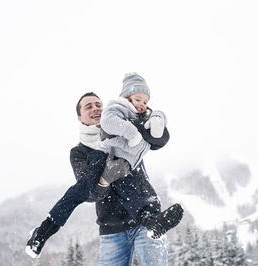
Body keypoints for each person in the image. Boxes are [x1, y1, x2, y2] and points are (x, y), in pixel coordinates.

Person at [25, 74, 183, 262]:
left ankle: (152, 221)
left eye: (98, 104)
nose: (95, 108)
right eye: (88, 106)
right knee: (79, 191)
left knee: (125, 181)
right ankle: (44, 230)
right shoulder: (79, 152)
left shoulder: (123, 122)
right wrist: (105, 178)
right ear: (79, 117)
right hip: (111, 227)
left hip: (145, 217)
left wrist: (156, 121)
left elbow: (159, 138)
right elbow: (89, 193)